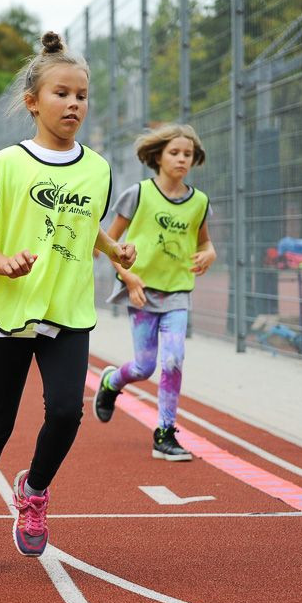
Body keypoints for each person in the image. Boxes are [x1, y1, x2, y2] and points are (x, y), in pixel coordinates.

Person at [0, 32, 136, 578]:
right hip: (11, 313)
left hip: (68, 312)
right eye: (62, 94)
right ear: (33, 102)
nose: (74, 104)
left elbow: (87, 225)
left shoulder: (97, 169)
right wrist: (4, 263)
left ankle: (33, 490)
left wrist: (115, 252)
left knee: (67, 411)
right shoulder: (5, 165)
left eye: (82, 95)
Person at [92, 124, 215, 461]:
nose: (182, 159)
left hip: (178, 293)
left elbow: (205, 242)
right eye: (174, 153)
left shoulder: (199, 202)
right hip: (142, 291)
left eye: (188, 154)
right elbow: (109, 245)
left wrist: (210, 253)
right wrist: (128, 278)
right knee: (144, 367)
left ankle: (165, 432)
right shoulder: (138, 194)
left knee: (173, 359)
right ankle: (111, 382)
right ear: (158, 156)